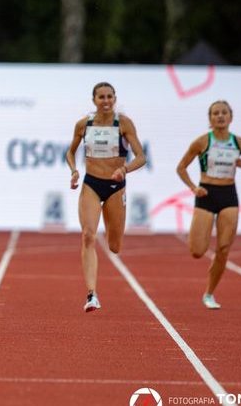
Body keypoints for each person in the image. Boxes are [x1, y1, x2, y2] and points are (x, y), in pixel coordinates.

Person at [65, 82, 146, 313]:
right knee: (88, 236)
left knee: (114, 246)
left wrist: (125, 170)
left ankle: (113, 238)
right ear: (94, 100)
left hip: (116, 186)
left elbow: (141, 156)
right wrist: (73, 171)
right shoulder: (84, 124)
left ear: (115, 98)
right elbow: (70, 152)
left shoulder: (124, 123)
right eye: (101, 97)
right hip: (91, 184)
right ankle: (92, 294)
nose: (106, 101)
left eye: (110, 96)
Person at [175, 100, 241, 310]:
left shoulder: (239, 143)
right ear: (210, 118)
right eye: (215, 113)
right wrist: (193, 188)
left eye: (224, 113)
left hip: (228, 196)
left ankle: (209, 293)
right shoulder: (202, 142)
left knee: (223, 249)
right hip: (206, 193)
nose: (220, 116)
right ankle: (202, 250)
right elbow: (181, 168)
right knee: (197, 251)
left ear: (230, 117)